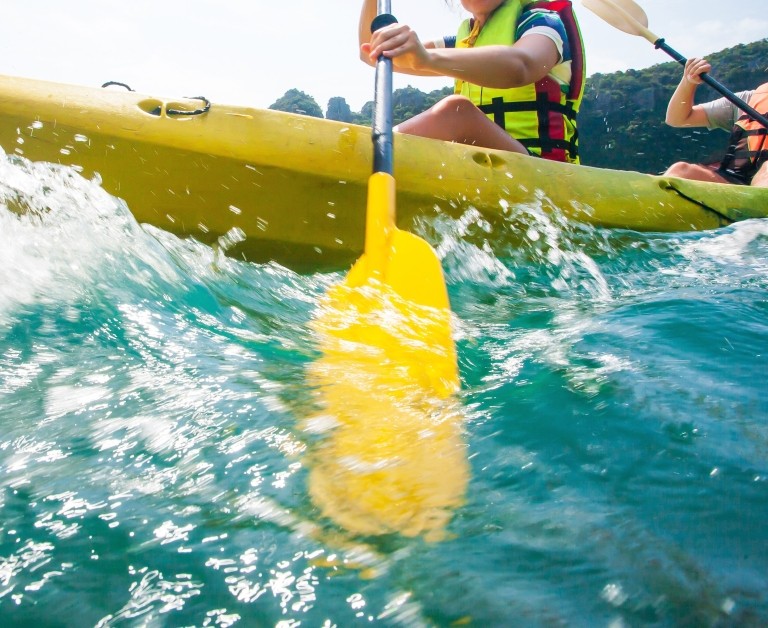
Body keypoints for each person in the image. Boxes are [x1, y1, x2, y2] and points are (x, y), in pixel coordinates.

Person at [358, 0, 585, 163]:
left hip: (544, 171)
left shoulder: (543, 23)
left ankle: (365, 157)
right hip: (484, 165)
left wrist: (426, 58)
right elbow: (371, 52)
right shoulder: (463, 40)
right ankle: (365, 157)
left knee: (457, 112)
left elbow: (522, 66)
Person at [664, 57, 768, 187]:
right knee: (681, 171)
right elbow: (677, 118)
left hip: (762, 190)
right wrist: (688, 81)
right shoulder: (745, 101)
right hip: (734, 187)